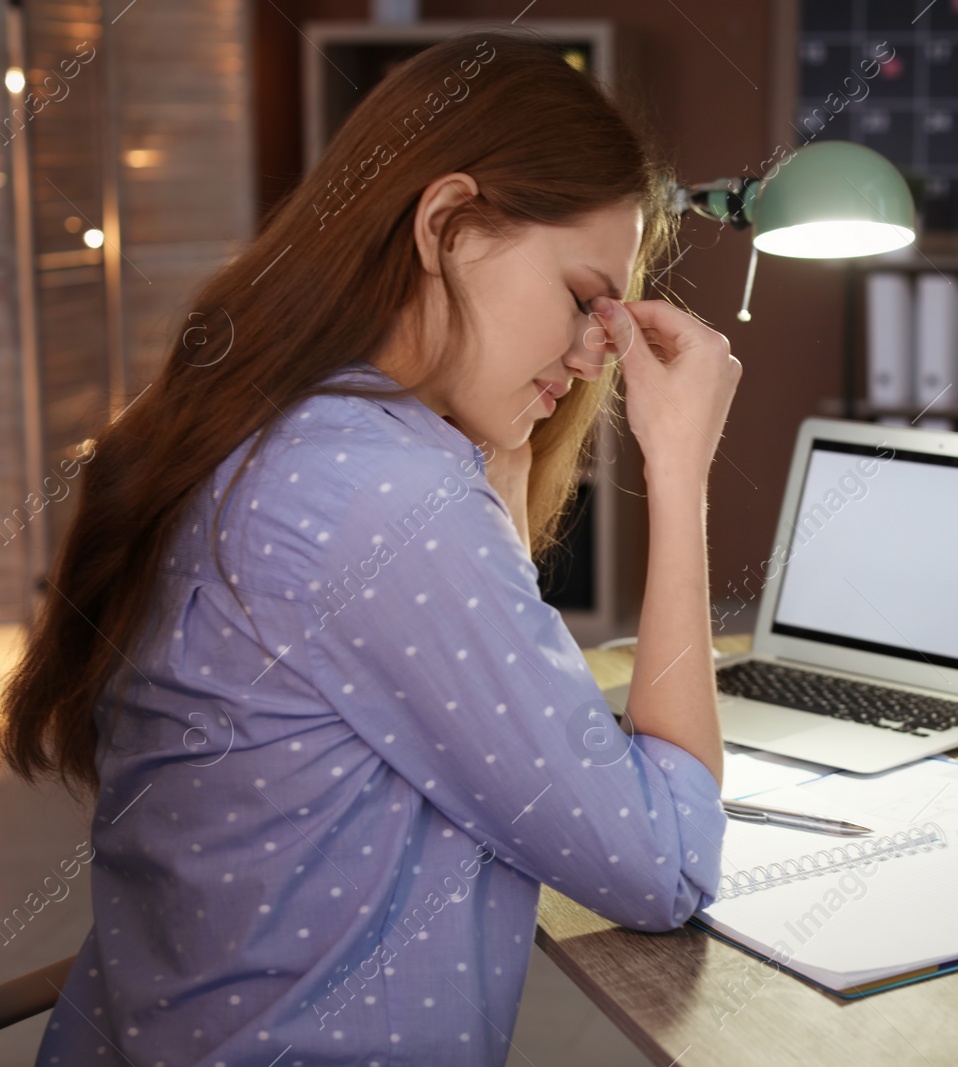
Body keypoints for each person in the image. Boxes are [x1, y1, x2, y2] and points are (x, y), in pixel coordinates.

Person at [2, 29, 740, 1064]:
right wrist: (680, 471)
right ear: (444, 224)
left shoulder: (282, 433)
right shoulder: (384, 497)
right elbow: (663, 864)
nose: (590, 355)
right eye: (582, 299)